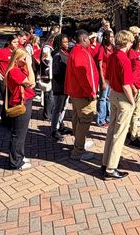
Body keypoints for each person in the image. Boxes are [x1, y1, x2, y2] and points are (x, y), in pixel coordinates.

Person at [101, 30, 135, 180]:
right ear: (127, 42)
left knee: (111, 130)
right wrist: (132, 101)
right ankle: (111, 168)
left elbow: (107, 78)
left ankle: (106, 161)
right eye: (131, 42)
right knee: (119, 134)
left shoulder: (112, 56)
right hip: (122, 96)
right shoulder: (124, 60)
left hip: (113, 93)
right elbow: (127, 85)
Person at [64, 29, 99, 161]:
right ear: (84, 39)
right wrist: (91, 92)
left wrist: (94, 43)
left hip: (77, 92)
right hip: (82, 93)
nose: (90, 41)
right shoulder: (79, 53)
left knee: (78, 119)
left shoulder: (80, 50)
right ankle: (78, 150)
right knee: (84, 120)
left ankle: (79, 143)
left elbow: (94, 53)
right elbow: (84, 75)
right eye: (88, 39)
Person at [3, 47, 35, 170]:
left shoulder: (19, 69)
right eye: (24, 58)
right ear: (16, 59)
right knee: (18, 133)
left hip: (24, 101)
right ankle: (15, 162)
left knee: (22, 132)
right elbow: (31, 83)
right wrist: (30, 65)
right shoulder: (14, 71)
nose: (26, 61)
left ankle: (19, 156)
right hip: (20, 103)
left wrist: (26, 65)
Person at [126, 34, 140, 148]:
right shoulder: (131, 53)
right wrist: (133, 87)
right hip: (135, 85)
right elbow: (129, 70)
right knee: (137, 111)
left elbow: (139, 67)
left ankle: (129, 133)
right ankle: (133, 136)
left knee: (137, 110)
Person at [49, 34, 71, 140]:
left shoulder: (65, 53)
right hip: (60, 86)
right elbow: (57, 73)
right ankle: (54, 129)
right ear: (59, 44)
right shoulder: (57, 55)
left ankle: (60, 125)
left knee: (63, 107)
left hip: (66, 85)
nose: (67, 44)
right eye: (65, 42)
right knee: (57, 108)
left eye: (67, 42)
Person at [95, 30, 115, 127]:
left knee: (108, 98)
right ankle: (100, 119)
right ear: (105, 37)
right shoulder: (102, 48)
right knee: (102, 98)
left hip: (111, 77)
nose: (112, 38)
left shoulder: (113, 48)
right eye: (110, 36)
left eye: (113, 36)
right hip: (104, 76)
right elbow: (99, 65)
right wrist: (102, 81)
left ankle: (108, 118)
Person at [37, 41, 54, 121]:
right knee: (48, 96)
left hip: (48, 77)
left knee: (49, 96)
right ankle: (47, 115)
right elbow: (45, 55)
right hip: (47, 78)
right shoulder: (46, 49)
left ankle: (48, 114)